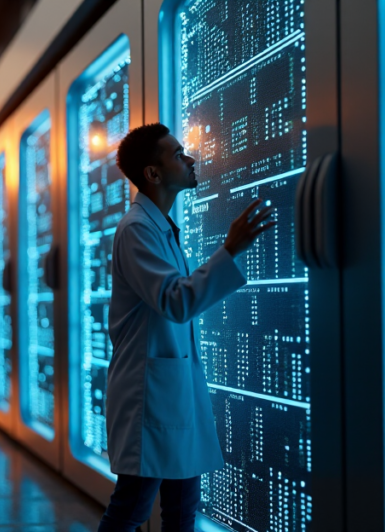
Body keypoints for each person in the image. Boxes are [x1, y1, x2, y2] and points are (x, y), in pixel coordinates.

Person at [98, 123, 275, 531]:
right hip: (152, 397)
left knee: (180, 511)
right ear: (153, 174)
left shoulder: (157, 227)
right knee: (132, 509)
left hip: (169, 393)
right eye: (178, 154)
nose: (190, 159)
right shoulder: (138, 228)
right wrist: (230, 249)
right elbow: (176, 301)